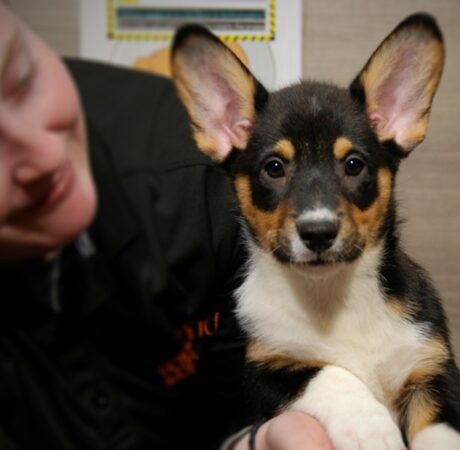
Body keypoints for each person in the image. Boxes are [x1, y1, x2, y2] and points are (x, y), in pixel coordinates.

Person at [0, 4, 333, 450]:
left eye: (22, 78)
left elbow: (243, 405)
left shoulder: (215, 183)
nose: (44, 156)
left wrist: (255, 442)